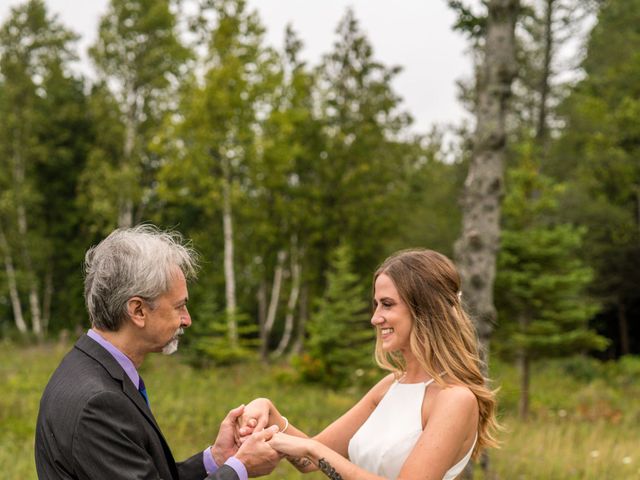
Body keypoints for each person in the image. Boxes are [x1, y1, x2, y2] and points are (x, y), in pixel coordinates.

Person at [35, 225, 280, 480]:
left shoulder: (87, 368)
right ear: (138, 310)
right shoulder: (98, 404)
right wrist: (240, 468)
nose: (187, 320)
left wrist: (217, 458)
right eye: (179, 306)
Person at [239, 249, 500, 480]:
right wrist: (270, 413)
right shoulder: (391, 385)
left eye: (387, 304)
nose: (375, 318)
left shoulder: (455, 399)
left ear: (425, 309)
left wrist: (313, 450)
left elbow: (314, 453)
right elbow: (308, 461)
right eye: (376, 305)